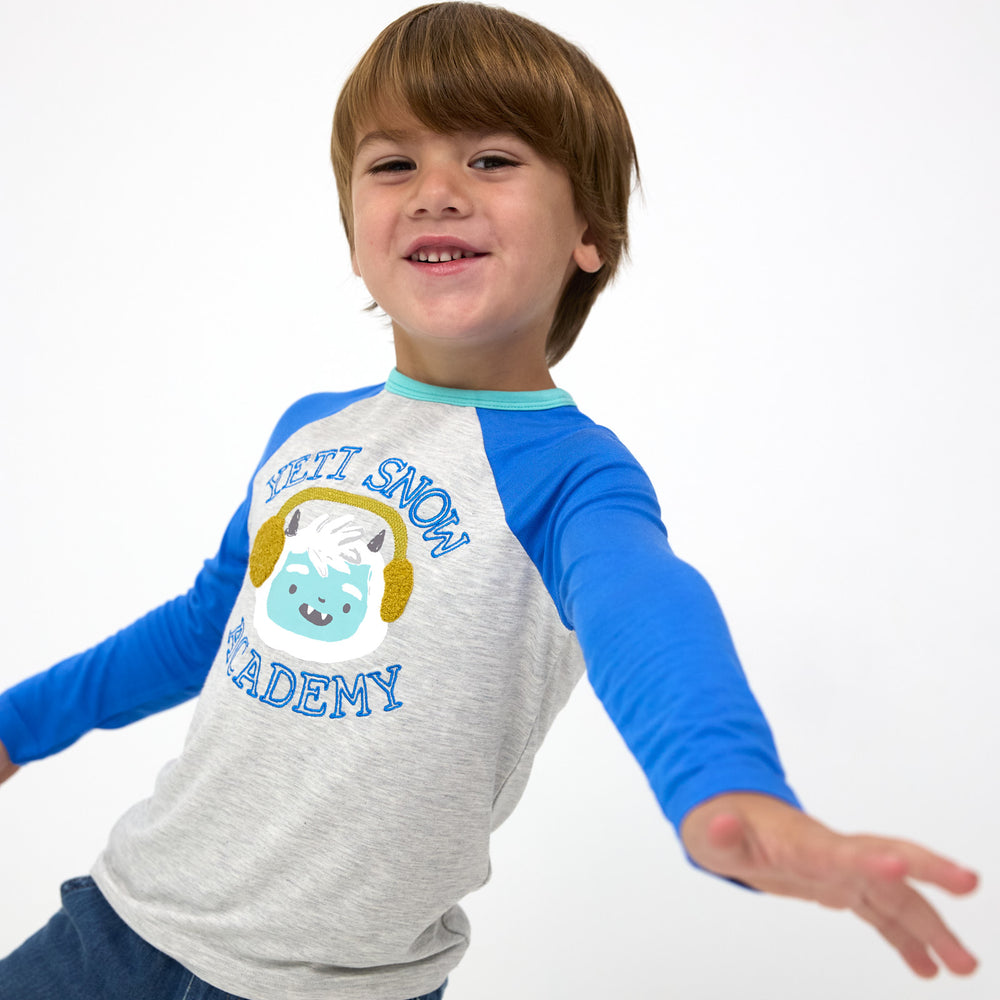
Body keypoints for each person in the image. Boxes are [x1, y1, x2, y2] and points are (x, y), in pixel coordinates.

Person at [0, 3, 979, 998]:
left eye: (491, 160)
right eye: (392, 166)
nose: (435, 192)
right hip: (120, 920)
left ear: (587, 233)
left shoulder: (572, 475)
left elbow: (646, 606)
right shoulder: (307, 427)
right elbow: (208, 624)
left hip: (335, 984)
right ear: (353, 235)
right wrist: (14, 725)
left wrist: (726, 787)